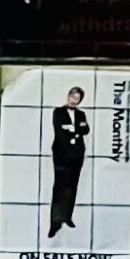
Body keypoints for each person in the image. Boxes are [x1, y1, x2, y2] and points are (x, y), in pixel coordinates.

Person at [48, 85, 90, 237]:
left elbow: (86, 130)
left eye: (77, 98)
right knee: (59, 187)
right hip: (61, 154)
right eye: (73, 97)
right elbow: (60, 131)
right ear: (68, 96)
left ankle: (67, 216)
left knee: (72, 186)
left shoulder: (81, 114)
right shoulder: (58, 112)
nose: (74, 100)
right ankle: (55, 222)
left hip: (77, 154)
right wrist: (75, 132)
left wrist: (73, 130)